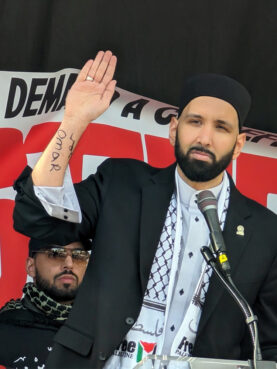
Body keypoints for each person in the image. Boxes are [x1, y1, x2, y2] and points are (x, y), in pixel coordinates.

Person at [13, 51, 277, 369]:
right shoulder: (121, 185)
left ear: (238, 144)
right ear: (173, 129)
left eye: (221, 128)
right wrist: (74, 120)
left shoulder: (265, 232)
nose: (205, 137)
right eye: (195, 122)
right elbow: (39, 217)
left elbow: (269, 344)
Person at [0, 237, 91, 368]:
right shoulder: (5, 330)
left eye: (79, 255)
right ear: (31, 266)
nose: (69, 263)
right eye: (55, 253)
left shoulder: (102, 331)